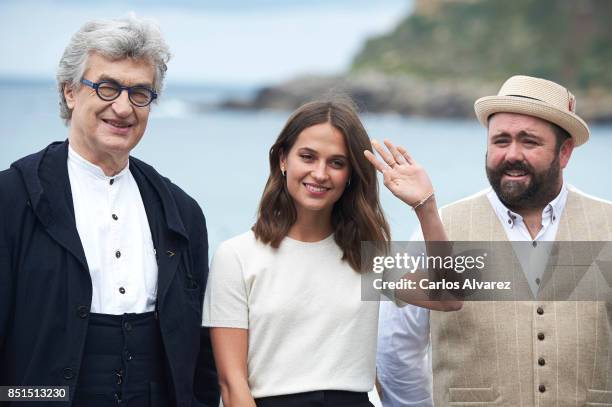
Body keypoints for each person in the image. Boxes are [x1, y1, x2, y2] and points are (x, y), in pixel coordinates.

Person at [0, 16, 218, 406]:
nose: (122, 108)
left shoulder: (183, 212)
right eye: (107, 87)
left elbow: (201, 350)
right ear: (69, 92)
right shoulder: (9, 198)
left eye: (140, 93)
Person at [202, 97, 455, 407]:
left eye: (336, 162)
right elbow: (232, 384)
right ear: (283, 159)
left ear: (350, 174)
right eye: (308, 157)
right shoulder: (237, 256)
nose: (320, 173)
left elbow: (449, 296)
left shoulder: (368, 256)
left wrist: (425, 207)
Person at [376, 75, 612, 406]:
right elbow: (396, 346)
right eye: (500, 141)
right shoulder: (440, 226)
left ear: (565, 152)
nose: (511, 154)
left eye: (529, 142)